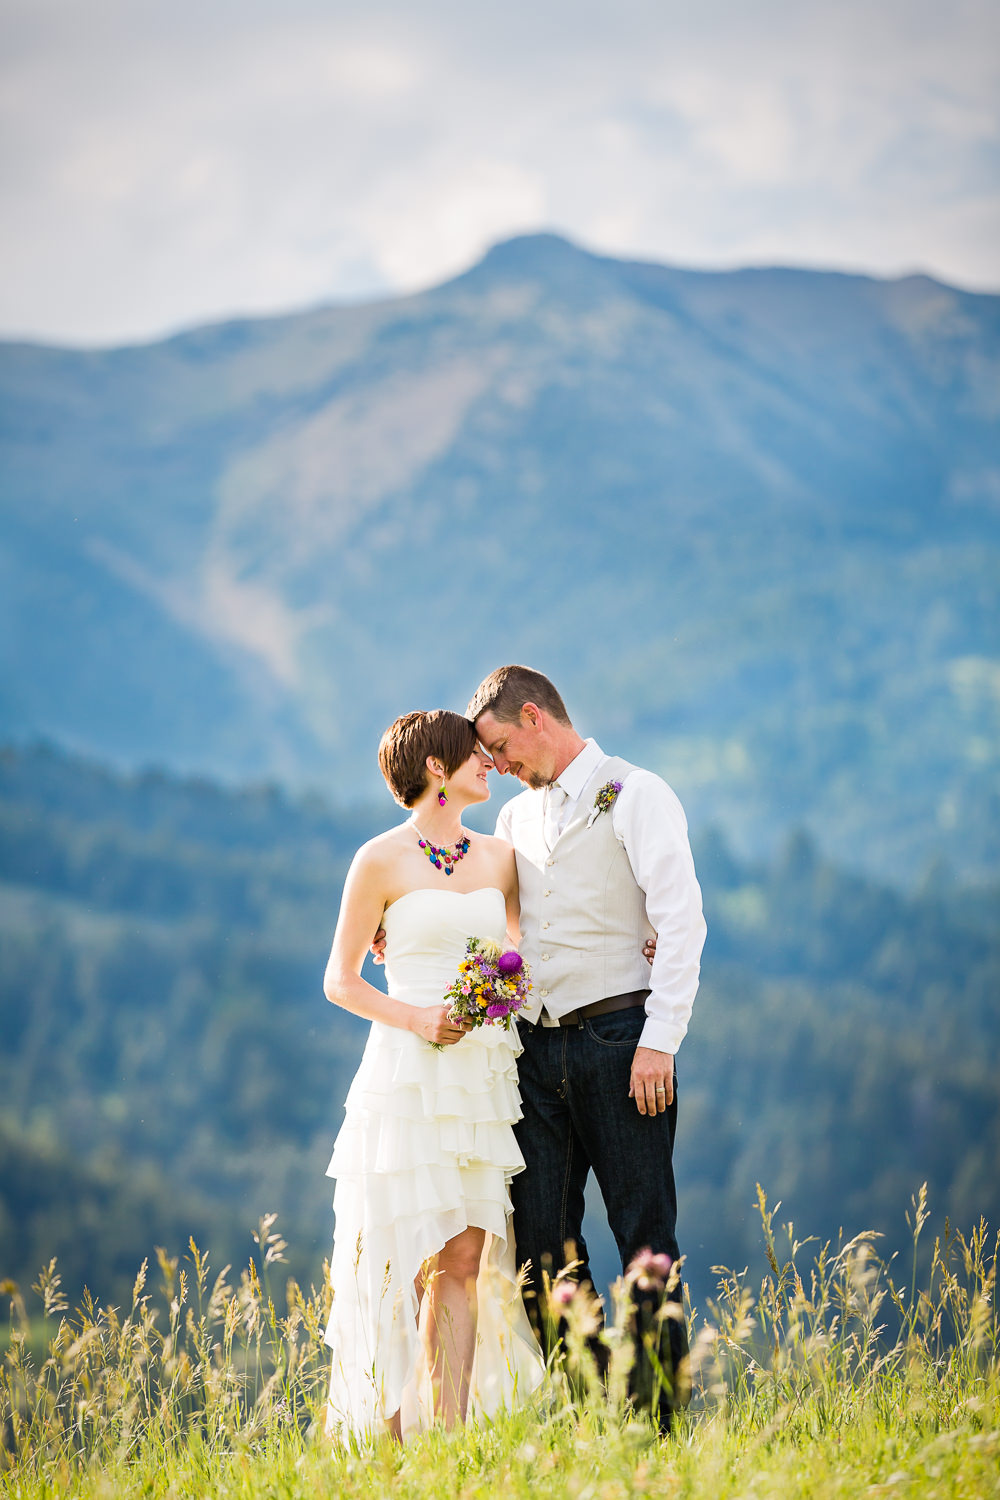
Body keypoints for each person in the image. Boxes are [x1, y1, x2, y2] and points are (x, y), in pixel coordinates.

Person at [467, 665, 706, 1420]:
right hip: (534, 1056)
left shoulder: (638, 794)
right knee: (540, 1249)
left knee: (644, 1237)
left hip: (621, 1042)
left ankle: (658, 1425)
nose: (498, 767)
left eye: (501, 747)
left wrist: (660, 1040)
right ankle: (598, 1407)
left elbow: (681, 923)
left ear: (535, 716)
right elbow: (505, 931)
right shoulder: (512, 820)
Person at [321, 709, 544, 1442]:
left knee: (464, 1255)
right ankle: (385, 1444)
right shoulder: (378, 861)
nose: (490, 762)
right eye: (474, 754)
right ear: (437, 770)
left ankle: (444, 1441)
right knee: (396, 1257)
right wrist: (417, 1018)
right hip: (407, 1073)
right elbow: (341, 981)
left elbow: (527, 945)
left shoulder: (500, 858)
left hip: (480, 1079)